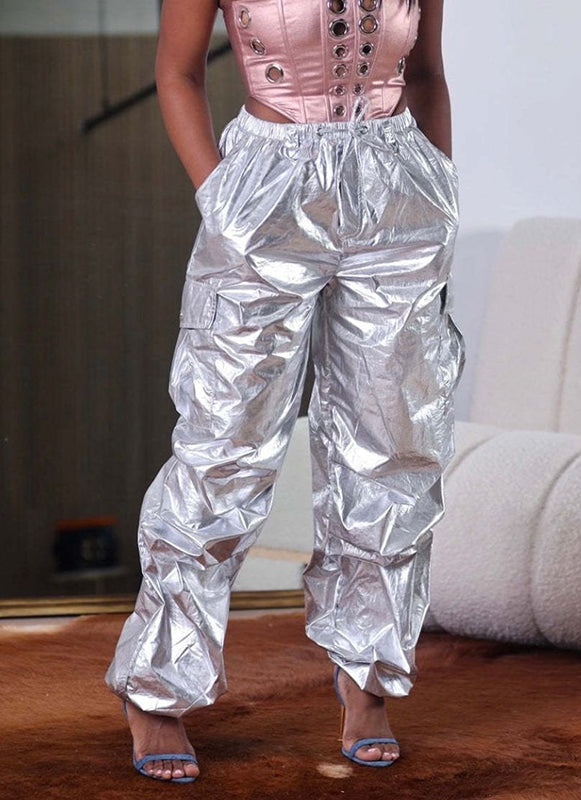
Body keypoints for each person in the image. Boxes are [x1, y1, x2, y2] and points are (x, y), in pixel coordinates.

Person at [105, 0, 465, 782]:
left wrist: (441, 192)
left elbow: (426, 72)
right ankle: (158, 686)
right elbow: (176, 72)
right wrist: (221, 198)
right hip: (266, 188)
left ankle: (367, 676)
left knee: (394, 447)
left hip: (398, 196)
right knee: (225, 446)